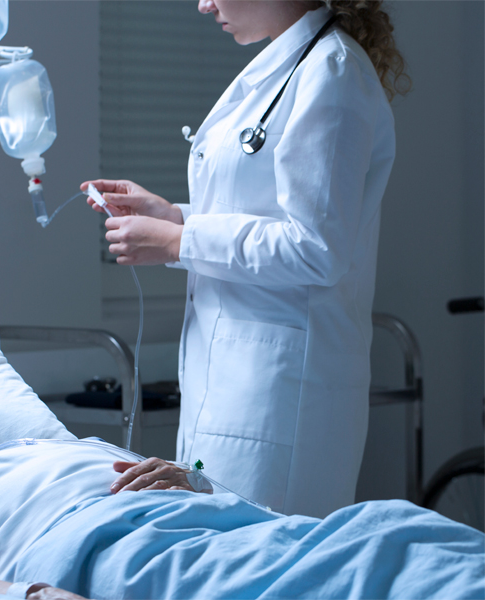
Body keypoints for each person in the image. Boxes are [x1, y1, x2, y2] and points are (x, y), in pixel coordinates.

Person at [0, 316, 482, 600]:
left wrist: (192, 482)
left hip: (216, 528)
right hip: (106, 557)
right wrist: (31, 598)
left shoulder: (41, 446)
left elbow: (188, 491)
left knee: (390, 529)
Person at [81, 0, 411, 518]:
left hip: (281, 397)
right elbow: (261, 214)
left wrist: (178, 243)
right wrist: (174, 217)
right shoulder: (289, 68)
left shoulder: (332, 72)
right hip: (240, 384)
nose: (203, 3)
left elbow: (315, 248)